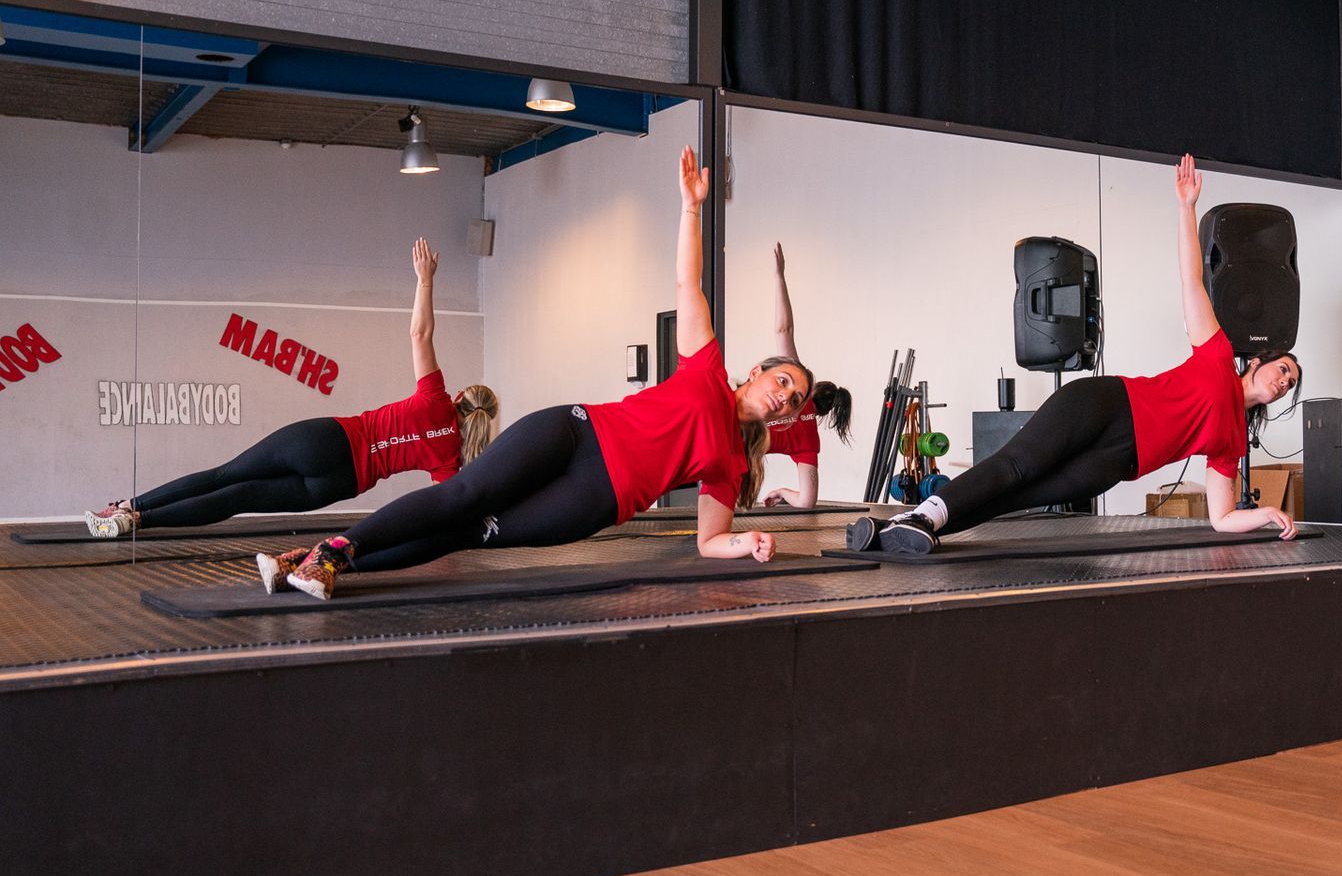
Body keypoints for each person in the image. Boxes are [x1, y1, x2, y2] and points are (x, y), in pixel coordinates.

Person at [267, 146, 813, 599]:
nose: (784, 398)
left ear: (787, 421)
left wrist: (750, 543)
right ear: (756, 371)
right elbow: (686, 284)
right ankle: (332, 553)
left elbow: (709, 541)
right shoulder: (706, 367)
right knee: (465, 496)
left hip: (598, 496)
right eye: (783, 381)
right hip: (576, 431)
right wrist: (691, 208)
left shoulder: (734, 463)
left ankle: (314, 563)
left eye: (794, 401)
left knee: (471, 533)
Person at [847, 154, 1302, 555]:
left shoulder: (1233, 439)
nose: (1285, 380)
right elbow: (1191, 282)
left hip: (1118, 461)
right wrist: (1186, 207)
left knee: (1020, 496)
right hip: (1107, 405)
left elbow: (1221, 518)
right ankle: (921, 517)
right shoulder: (1218, 354)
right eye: (1284, 367)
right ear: (1259, 362)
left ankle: (906, 527)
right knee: (1016, 466)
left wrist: (1265, 514)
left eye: (1291, 383)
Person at [82, 238, 498, 538]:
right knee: (236, 499)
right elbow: (443, 506)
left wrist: (425, 281)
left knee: (224, 475)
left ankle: (126, 507)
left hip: (327, 440)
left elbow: (420, 334)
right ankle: (135, 522)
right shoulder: (451, 460)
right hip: (341, 484)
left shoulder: (436, 398)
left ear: (462, 397)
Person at [759, 242, 854, 508]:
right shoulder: (809, 440)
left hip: (724, 429)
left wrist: (779, 277)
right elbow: (807, 502)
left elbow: (783, 330)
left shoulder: (798, 392)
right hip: (731, 448)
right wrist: (782, 492)